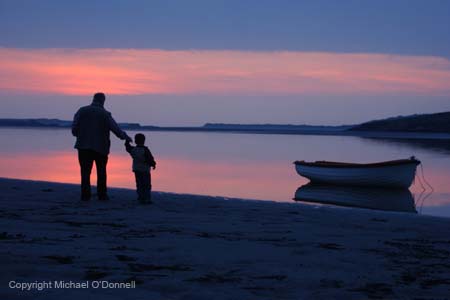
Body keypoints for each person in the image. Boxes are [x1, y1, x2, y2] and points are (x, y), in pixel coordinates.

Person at [72, 92, 132, 201]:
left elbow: (74, 129)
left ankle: (85, 195)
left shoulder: (82, 110)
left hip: (83, 146)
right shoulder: (105, 114)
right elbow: (115, 129)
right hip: (101, 147)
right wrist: (125, 137)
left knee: (85, 172)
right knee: (101, 172)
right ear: (103, 101)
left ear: (93, 99)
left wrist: (79, 134)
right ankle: (102, 195)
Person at [125, 133, 156, 204]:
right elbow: (150, 159)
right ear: (144, 141)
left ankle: (140, 197)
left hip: (137, 170)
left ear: (135, 141)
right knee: (147, 184)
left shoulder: (134, 150)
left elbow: (128, 148)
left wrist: (127, 141)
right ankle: (147, 198)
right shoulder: (145, 150)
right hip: (145, 170)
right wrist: (153, 164)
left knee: (139, 184)